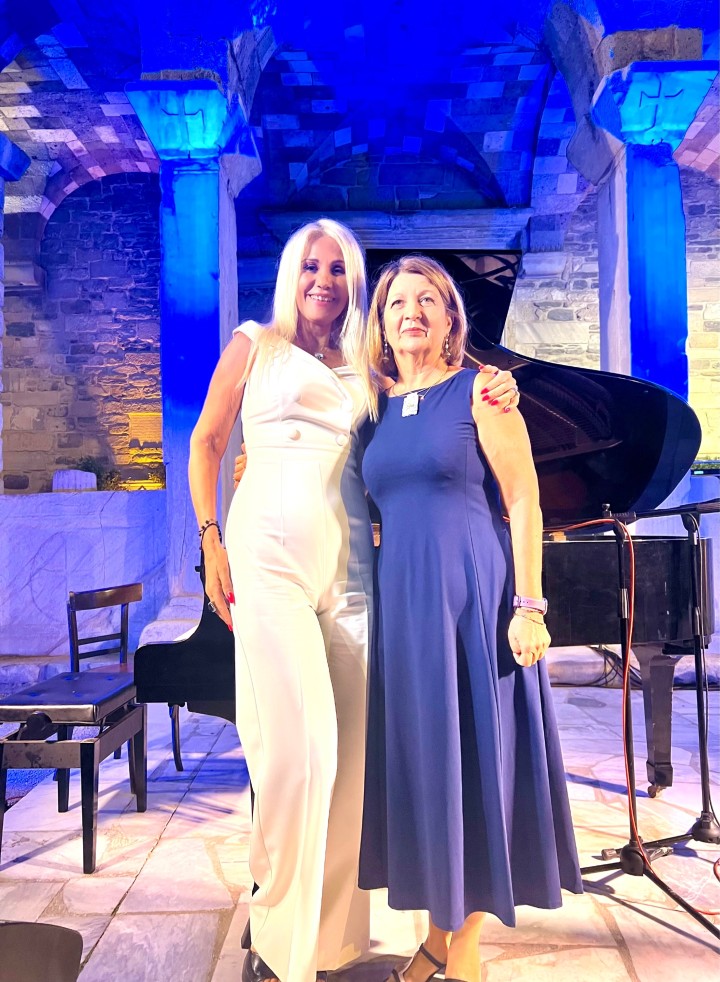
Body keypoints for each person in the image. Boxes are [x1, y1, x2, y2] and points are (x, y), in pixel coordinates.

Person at [188, 220, 518, 982]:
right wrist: (210, 539)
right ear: (290, 274)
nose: (323, 280)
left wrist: (496, 381)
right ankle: (278, 939)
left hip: (352, 565)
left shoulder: (371, 371)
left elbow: (436, 400)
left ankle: (331, 944)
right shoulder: (254, 345)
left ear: (353, 283)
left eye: (338, 269)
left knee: (352, 760)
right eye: (311, 266)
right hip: (267, 556)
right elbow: (207, 442)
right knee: (299, 754)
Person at [358, 255, 582, 982]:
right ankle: (434, 938)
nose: (412, 312)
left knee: (482, 764)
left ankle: (464, 949)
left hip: (473, 604)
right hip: (404, 612)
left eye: (428, 300)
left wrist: (529, 606)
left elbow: (524, 499)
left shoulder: (482, 391)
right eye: (398, 303)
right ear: (381, 323)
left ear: (451, 318)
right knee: (432, 770)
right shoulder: (374, 408)